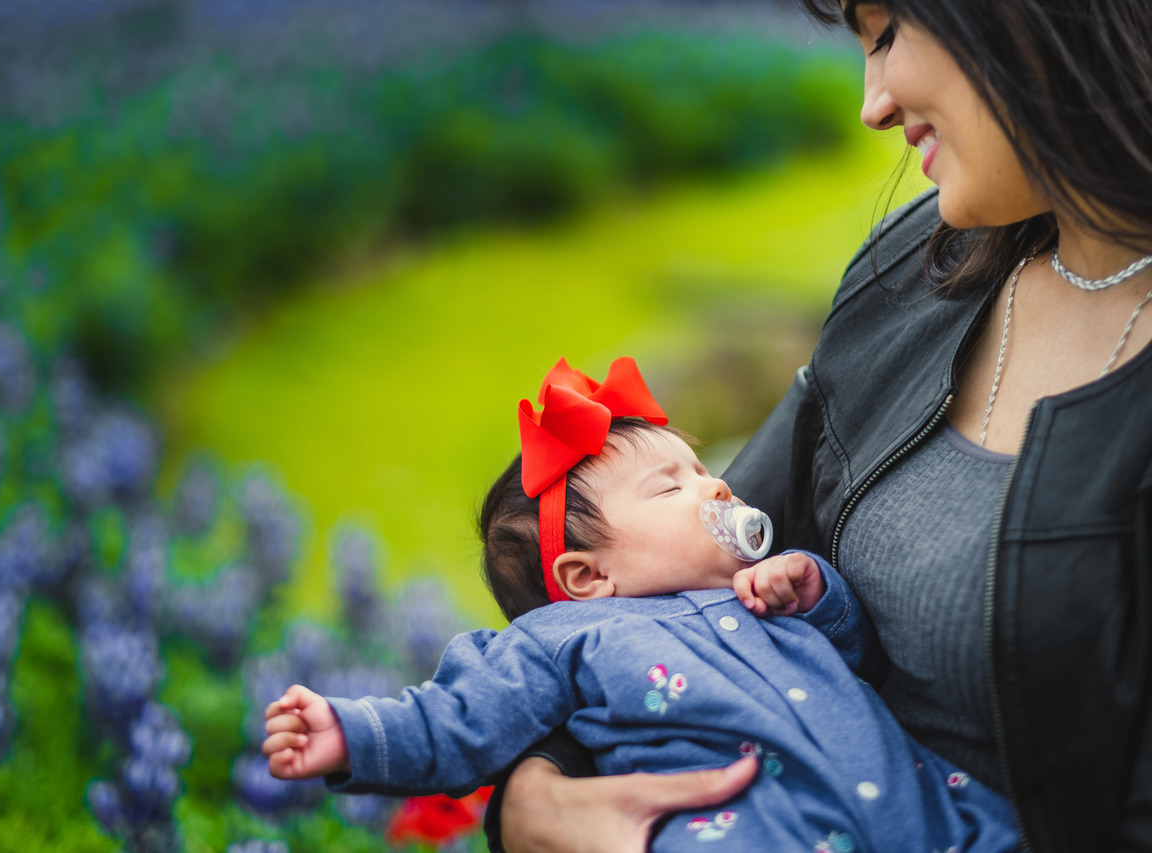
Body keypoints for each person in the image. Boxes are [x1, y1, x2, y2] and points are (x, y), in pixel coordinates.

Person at [491, 2, 1152, 851]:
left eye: (883, 33)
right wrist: (535, 800)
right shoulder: (916, 273)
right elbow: (661, 575)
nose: (872, 103)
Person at [263, 358, 1020, 852]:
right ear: (588, 577)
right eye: (671, 485)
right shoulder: (566, 635)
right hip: (745, 829)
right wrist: (355, 733)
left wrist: (818, 596)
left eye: (702, 468)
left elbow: (856, 661)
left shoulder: (762, 595)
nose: (715, 486)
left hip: (922, 812)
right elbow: (464, 716)